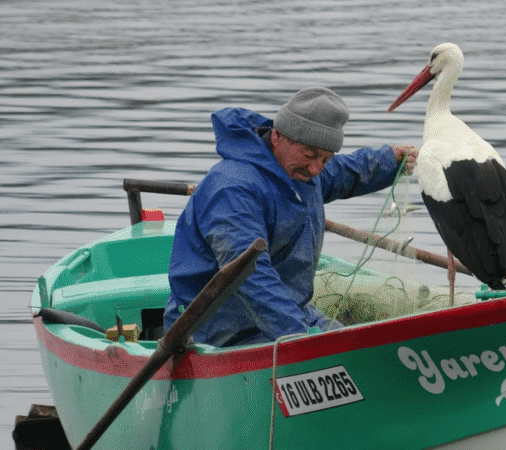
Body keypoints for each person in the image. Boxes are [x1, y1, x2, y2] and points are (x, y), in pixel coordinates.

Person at [163, 87, 418, 347]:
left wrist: (388, 161)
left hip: (292, 311)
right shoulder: (232, 188)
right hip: (217, 330)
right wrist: (299, 339)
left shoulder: (301, 171)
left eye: (325, 159)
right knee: (335, 350)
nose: (316, 169)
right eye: (309, 155)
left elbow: (342, 172)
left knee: (357, 347)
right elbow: (251, 276)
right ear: (277, 136)